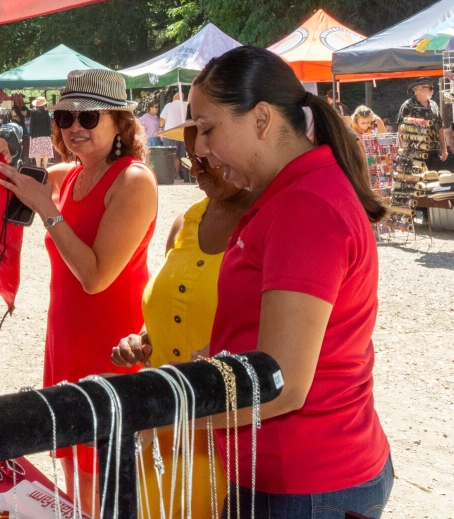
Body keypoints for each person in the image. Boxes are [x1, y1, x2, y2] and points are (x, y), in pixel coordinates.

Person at [189, 46, 391, 518]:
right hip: (289, 475)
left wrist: (171, 410)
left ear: (261, 119)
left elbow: (282, 380)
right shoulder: (290, 195)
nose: (198, 147)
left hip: (306, 483)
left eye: (208, 128)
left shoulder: (306, 207)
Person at [0, 69, 158, 515]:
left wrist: (47, 210)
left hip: (112, 346)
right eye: (64, 116)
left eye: (87, 116)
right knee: (76, 473)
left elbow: (96, 277)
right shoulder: (71, 172)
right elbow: (21, 168)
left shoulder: (133, 180)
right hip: (66, 341)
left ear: (119, 122)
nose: (73, 126)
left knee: (110, 474)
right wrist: (0, 149)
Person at [111, 110, 260, 518]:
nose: (196, 166)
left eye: (206, 156)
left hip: (228, 440)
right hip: (163, 430)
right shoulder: (186, 221)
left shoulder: (266, 225)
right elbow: (173, 307)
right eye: (191, 156)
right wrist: (142, 339)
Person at [397, 77, 447, 169]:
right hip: (416, 153)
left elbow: (440, 127)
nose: (432, 91)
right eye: (430, 88)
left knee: (434, 180)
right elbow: (401, 130)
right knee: (419, 181)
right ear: (419, 89)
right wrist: (405, 151)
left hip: (434, 152)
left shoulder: (434, 105)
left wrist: (444, 148)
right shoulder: (408, 106)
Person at [160, 91, 188, 179]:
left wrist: (161, 127)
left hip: (170, 133)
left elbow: (162, 119)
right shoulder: (185, 106)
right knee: (179, 156)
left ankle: (169, 174)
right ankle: (177, 175)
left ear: (174, 98)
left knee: (170, 155)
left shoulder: (169, 106)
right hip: (182, 133)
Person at [28, 97, 54, 168]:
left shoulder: (33, 113)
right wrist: (50, 133)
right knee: (45, 153)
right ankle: (45, 167)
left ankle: (38, 167)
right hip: (46, 135)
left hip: (36, 135)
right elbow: (49, 124)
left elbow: (32, 124)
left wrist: (31, 134)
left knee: (37, 153)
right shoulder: (46, 113)